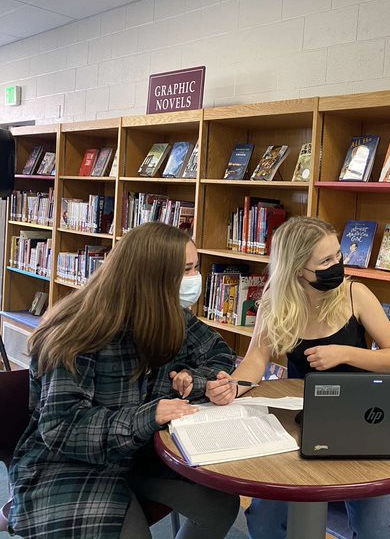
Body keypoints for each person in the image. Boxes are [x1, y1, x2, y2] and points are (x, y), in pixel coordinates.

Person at [8, 222, 241, 539]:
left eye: (195, 268)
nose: (194, 280)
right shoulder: (78, 334)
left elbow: (219, 353)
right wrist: (149, 416)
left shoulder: (169, 313)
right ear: (153, 278)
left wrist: (195, 379)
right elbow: (62, 428)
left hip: (141, 455)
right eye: (186, 270)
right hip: (70, 466)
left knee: (220, 505)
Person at [205, 216, 390, 539]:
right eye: (326, 261)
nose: (338, 265)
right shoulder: (276, 300)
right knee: (266, 520)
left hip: (362, 420)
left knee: (375, 529)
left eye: (338, 256)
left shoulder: (356, 294)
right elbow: (257, 358)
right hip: (303, 421)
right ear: (298, 269)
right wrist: (233, 385)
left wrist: (344, 354)